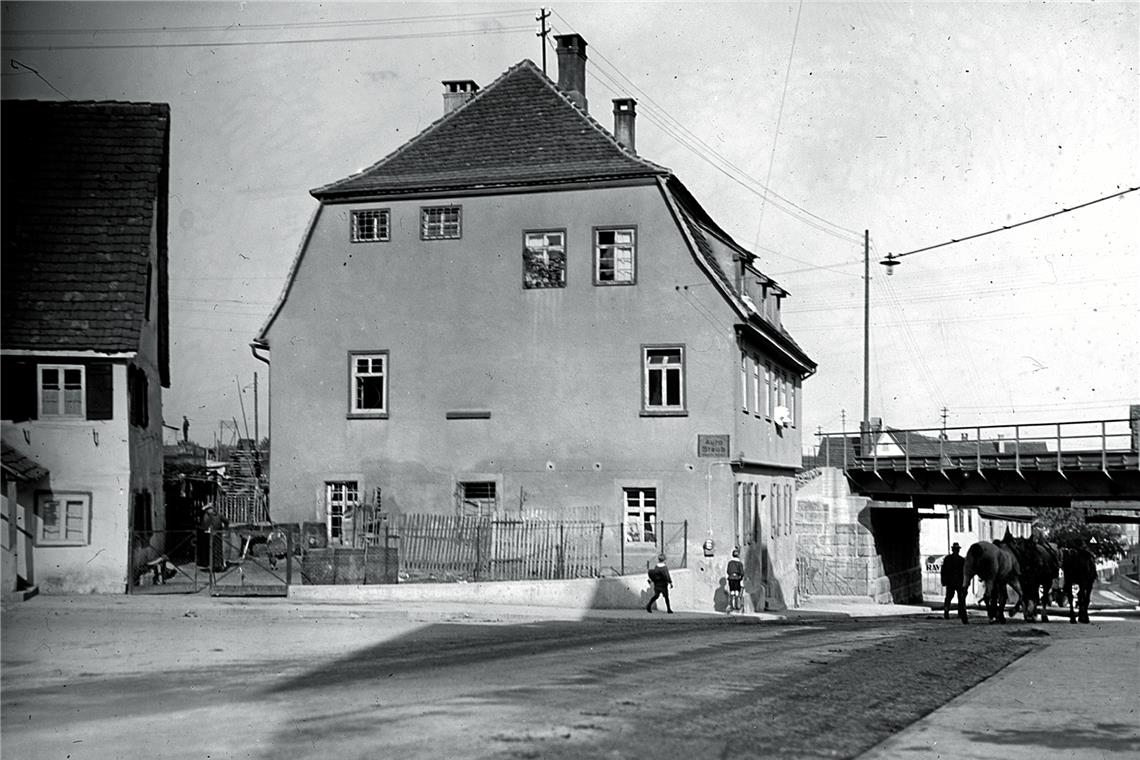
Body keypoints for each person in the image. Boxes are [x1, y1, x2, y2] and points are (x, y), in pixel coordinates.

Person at [197, 502, 228, 572]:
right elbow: (198, 513)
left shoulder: (218, 516)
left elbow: (226, 521)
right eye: (208, 509)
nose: (209, 511)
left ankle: (217, 566)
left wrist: (225, 530)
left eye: (210, 509)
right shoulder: (204, 515)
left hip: (216, 535)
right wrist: (205, 506)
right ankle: (209, 565)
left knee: (217, 551)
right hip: (206, 535)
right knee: (207, 551)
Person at [941, 541, 967, 621]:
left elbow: (943, 571)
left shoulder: (947, 559)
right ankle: (960, 612)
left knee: (949, 597)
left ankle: (946, 610)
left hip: (950, 581)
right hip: (959, 582)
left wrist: (943, 581)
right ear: (958, 550)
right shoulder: (962, 560)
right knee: (960, 597)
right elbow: (964, 572)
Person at [726, 547, 744, 613]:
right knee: (737, 592)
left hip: (731, 578)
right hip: (737, 579)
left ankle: (731, 605)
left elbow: (728, 571)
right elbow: (742, 572)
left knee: (731, 592)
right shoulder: (740, 563)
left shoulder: (730, 563)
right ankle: (737, 606)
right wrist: (741, 577)